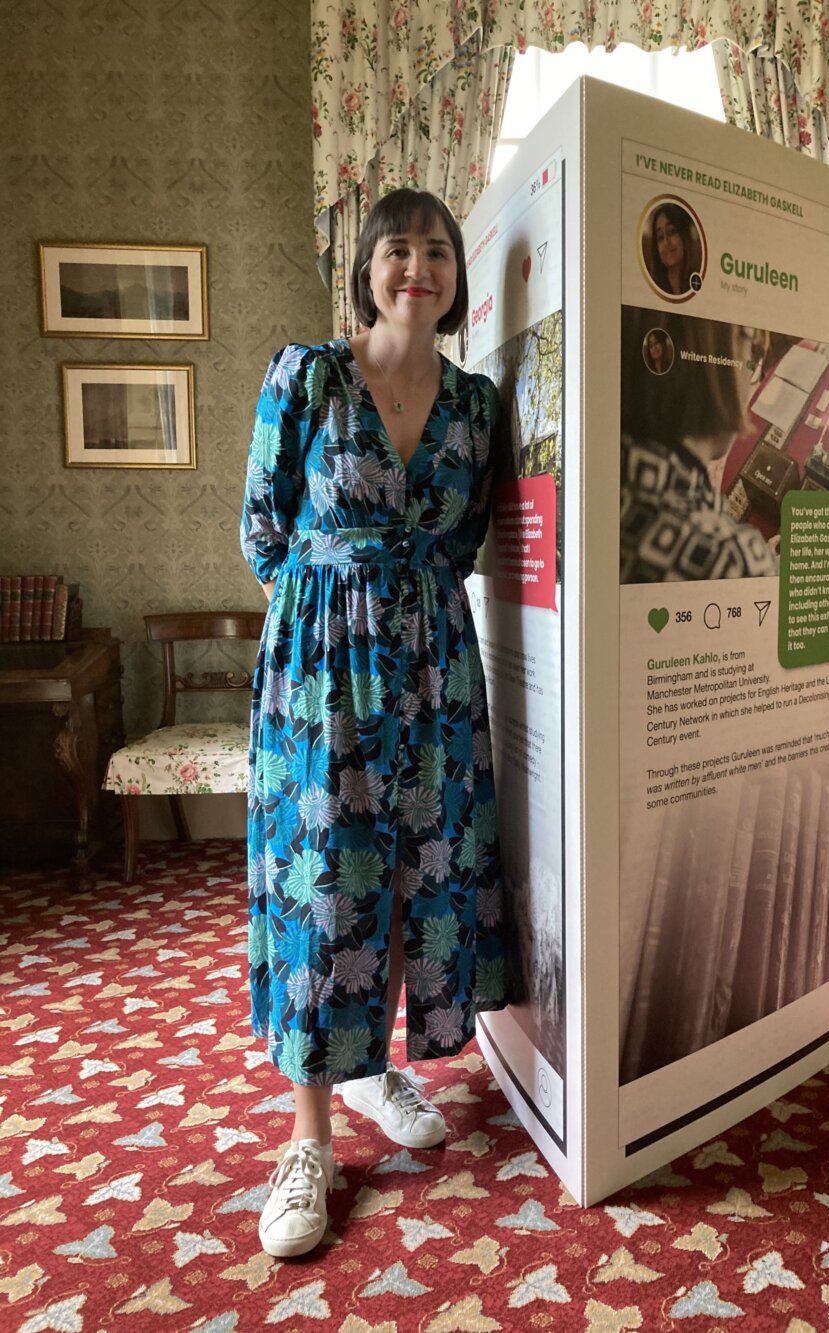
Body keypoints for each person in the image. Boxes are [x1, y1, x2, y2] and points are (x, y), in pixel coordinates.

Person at [240, 188, 506, 1259]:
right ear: (366, 268)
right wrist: (329, 618)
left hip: (436, 665)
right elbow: (262, 529)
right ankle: (305, 1137)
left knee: (413, 871)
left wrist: (405, 607)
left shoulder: (480, 405)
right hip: (322, 669)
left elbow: (469, 536)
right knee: (326, 881)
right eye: (397, 249)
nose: (417, 268)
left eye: (436, 251)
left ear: (456, 275)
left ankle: (373, 1061)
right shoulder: (305, 374)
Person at [620, 313, 777, 581]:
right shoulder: (734, 562)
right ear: (721, 356)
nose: (753, 371)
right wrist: (767, 571)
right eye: (754, 350)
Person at [648, 202, 697, 297]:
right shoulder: (652, 292)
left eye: (672, 231)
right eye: (660, 237)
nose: (666, 242)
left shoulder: (697, 284)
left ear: (684, 237)